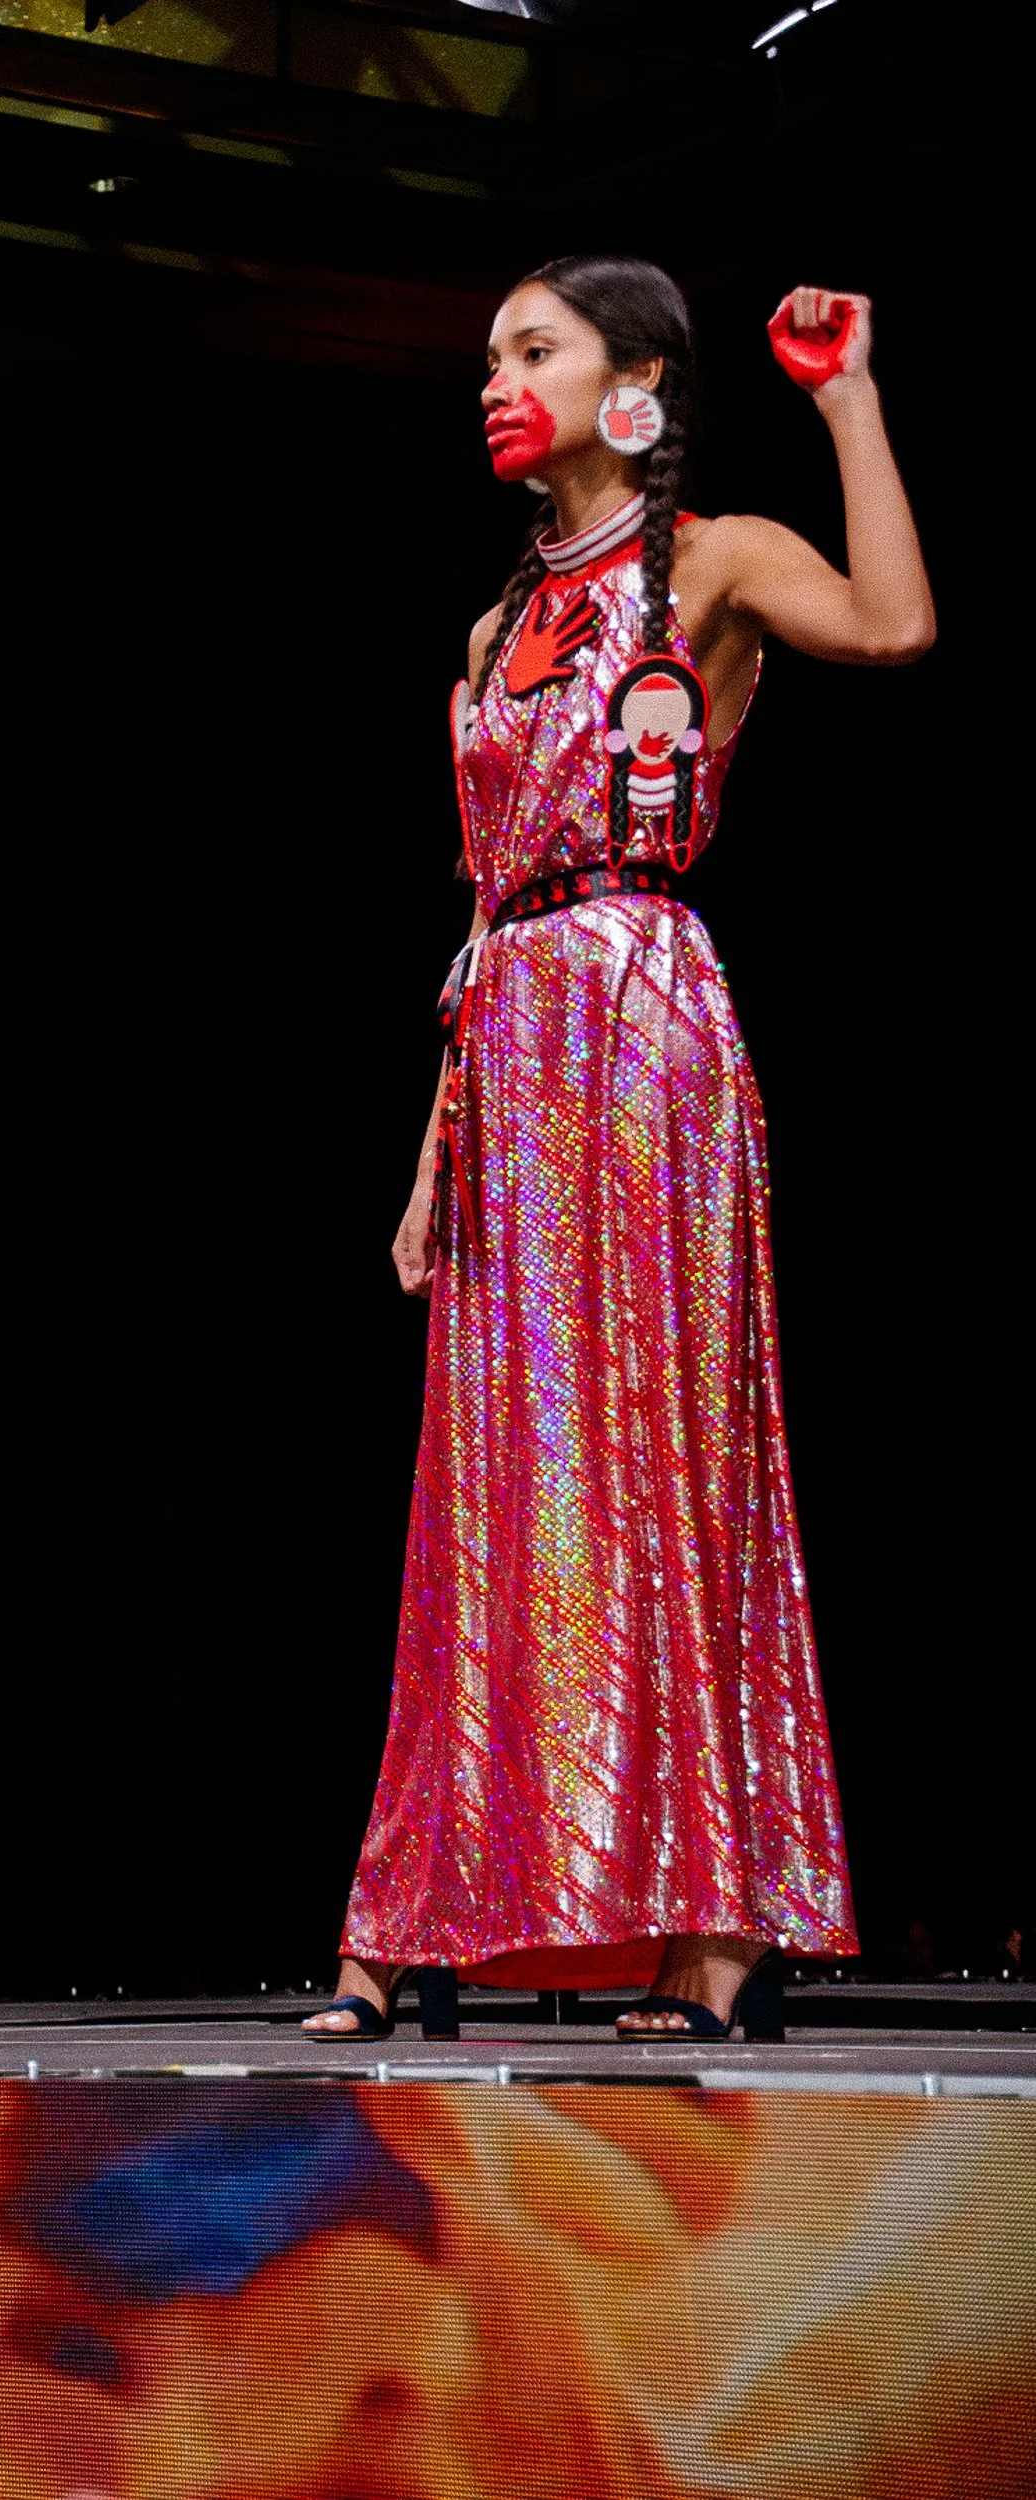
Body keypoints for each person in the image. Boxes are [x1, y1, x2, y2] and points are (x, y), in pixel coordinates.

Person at [307, 262, 933, 2043]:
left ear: (634, 379)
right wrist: (434, 1155)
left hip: (641, 1025)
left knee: (659, 1465)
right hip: (503, 1042)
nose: (493, 382)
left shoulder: (711, 560)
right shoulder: (495, 620)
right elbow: (479, 905)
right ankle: (428, 1905)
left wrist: (845, 397)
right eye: (485, 357)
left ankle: (714, 1926)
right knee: (497, 1489)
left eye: (530, 351)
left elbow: (893, 628)